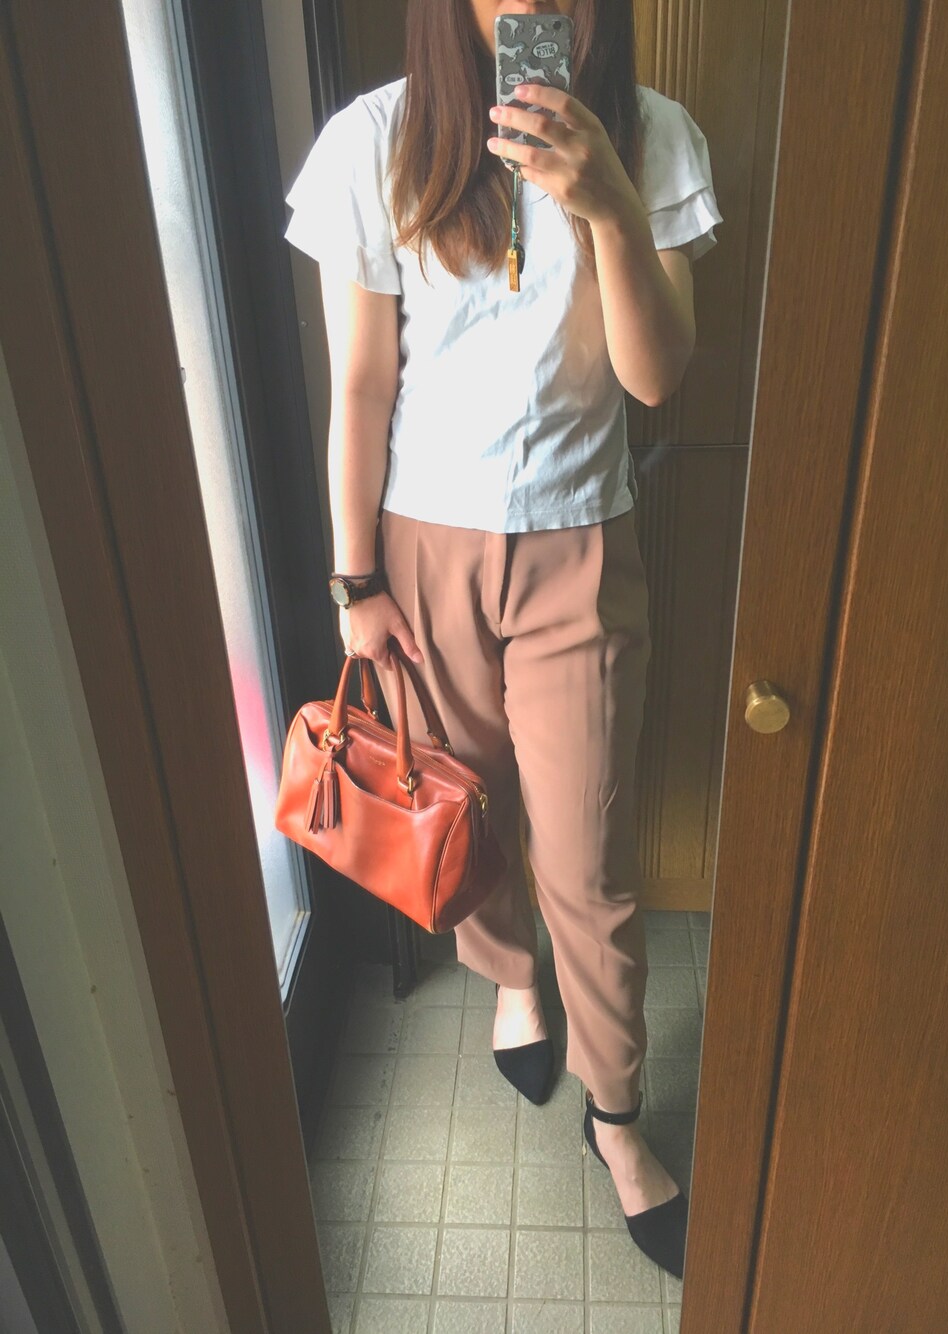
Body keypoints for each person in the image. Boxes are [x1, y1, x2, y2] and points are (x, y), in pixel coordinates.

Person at [284, 0, 722, 1279]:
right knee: (459, 810)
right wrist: (354, 577)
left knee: (590, 858)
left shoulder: (653, 134)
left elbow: (654, 377)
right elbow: (360, 382)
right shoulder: (375, 139)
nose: (535, 4)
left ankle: (617, 1112)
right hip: (422, 549)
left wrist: (609, 204)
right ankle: (511, 977)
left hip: (582, 542)